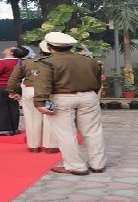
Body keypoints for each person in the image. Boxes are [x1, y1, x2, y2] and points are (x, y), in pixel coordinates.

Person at [34, 32, 106, 175]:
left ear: (48, 47)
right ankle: (98, 164)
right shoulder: (89, 60)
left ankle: (76, 166)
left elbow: (43, 84)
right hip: (89, 96)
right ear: (71, 46)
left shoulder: (47, 62)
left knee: (65, 133)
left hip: (62, 97)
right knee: (93, 131)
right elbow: (98, 80)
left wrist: (40, 102)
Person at [7, 41, 59, 153]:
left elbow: (13, 78)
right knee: (50, 117)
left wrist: (12, 91)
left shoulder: (25, 62)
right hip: (48, 92)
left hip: (29, 90)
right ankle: (50, 146)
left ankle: (34, 146)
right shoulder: (57, 62)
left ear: (40, 51)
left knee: (31, 118)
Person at [0, 45, 29, 136]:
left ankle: (2, 128)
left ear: (11, 53)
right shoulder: (19, 62)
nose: (6, 48)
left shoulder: (3, 63)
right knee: (13, 108)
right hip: (14, 87)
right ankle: (13, 127)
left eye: (8, 48)